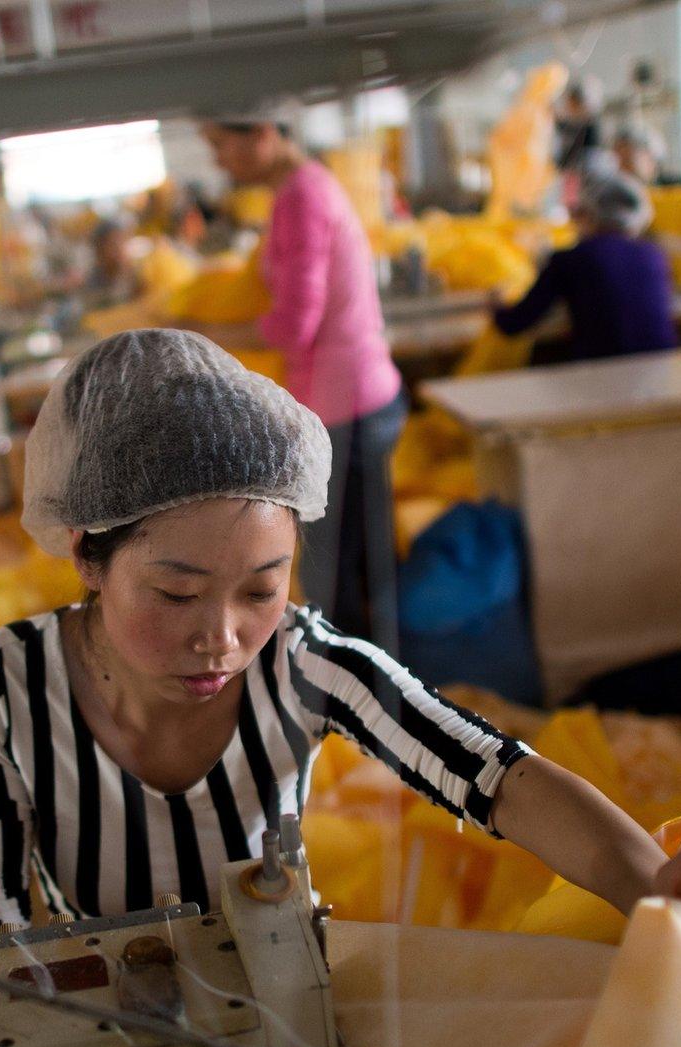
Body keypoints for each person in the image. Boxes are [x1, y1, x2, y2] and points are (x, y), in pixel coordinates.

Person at [0, 330, 681, 970]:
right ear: (86, 553)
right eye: (175, 594)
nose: (223, 638)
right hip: (82, 1004)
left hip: (276, 990)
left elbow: (497, 776)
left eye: (261, 589)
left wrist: (654, 881)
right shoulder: (2, 687)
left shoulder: (303, 667)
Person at [198, 99, 405, 654]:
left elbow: (292, 325)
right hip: (355, 396)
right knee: (356, 568)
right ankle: (372, 692)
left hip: (346, 405)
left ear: (262, 133)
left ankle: (363, 701)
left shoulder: (301, 198)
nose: (220, 163)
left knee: (339, 576)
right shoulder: (306, 188)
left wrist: (200, 332)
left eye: (221, 145)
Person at [492, 173, 679, 362]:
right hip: (662, 372)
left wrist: (496, 303)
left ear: (587, 213)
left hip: (604, 379)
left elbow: (513, 324)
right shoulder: (653, 254)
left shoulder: (571, 258)